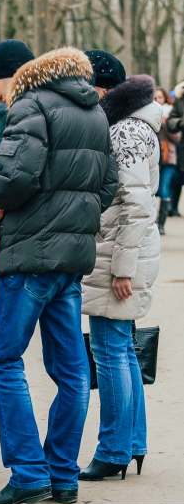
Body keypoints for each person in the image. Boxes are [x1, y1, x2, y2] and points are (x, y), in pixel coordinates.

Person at [0, 39, 118, 504]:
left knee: (1, 361)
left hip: (30, 259)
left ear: (17, 74)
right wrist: (72, 220)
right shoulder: (93, 109)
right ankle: (63, 475)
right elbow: (107, 184)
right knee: (72, 372)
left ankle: (30, 473)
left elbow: (14, 180)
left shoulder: (30, 104)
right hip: (71, 261)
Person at [81, 55, 161, 481]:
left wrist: (123, 268)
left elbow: (136, 204)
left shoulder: (125, 130)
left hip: (119, 253)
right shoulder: (131, 124)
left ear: (100, 88)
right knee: (122, 348)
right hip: (122, 250)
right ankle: (132, 443)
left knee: (110, 350)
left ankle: (113, 449)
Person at [155, 87, 180, 234]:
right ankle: (151, 222)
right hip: (154, 157)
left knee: (164, 189)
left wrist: (166, 124)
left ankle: (161, 224)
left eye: (160, 97)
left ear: (165, 98)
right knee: (152, 190)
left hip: (168, 157)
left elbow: (177, 137)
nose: (157, 100)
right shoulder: (148, 113)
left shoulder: (171, 113)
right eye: (155, 97)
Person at [167, 80, 184, 215]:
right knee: (178, 179)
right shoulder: (180, 100)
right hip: (182, 149)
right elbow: (170, 122)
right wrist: (180, 122)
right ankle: (172, 207)